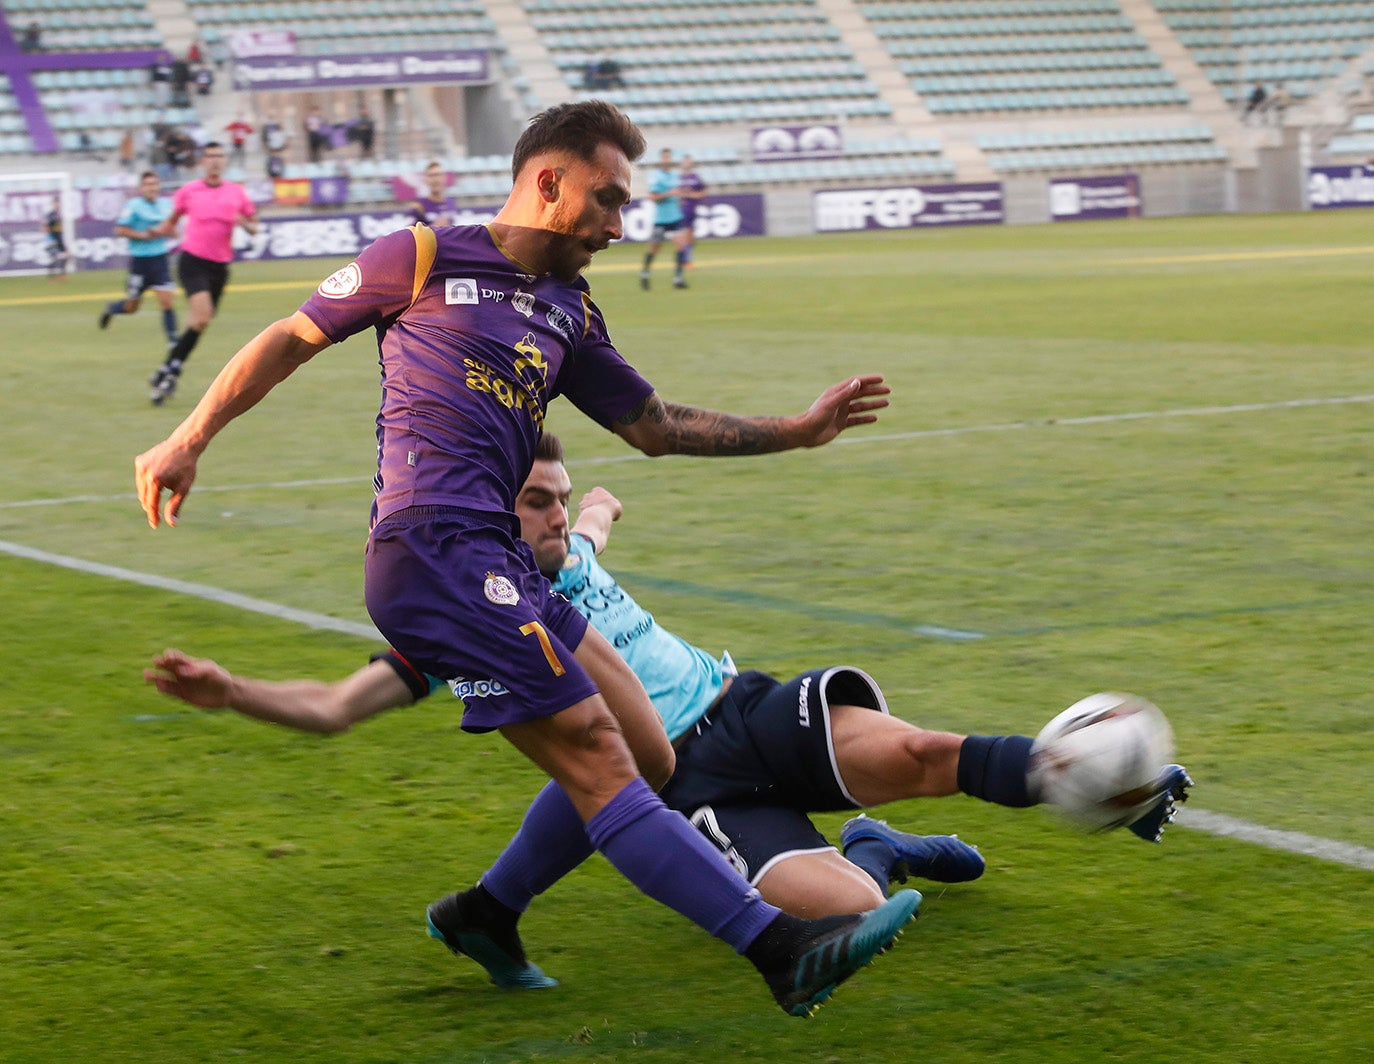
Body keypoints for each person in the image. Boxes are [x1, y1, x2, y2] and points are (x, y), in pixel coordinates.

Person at [133, 100, 912, 1018]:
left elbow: (654, 429)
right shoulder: (419, 256)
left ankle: (487, 912)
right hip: (430, 547)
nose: (619, 227)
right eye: (607, 200)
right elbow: (287, 340)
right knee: (595, 755)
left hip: (500, 558)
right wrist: (188, 438)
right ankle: (778, 949)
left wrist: (799, 429)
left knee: (651, 753)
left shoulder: (571, 311)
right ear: (548, 181)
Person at [145, 433, 1192, 988]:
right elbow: (335, 704)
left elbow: (598, 510)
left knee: (921, 745)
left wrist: (595, 506)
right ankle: (876, 848)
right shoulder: (467, 617)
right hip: (688, 781)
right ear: (491, 509)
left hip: (744, 704)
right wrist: (231, 689)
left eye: (561, 496)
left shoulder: (573, 542)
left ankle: (1075, 772)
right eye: (536, 501)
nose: (558, 514)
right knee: (850, 916)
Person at [146, 142, 258, 406]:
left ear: (224, 161)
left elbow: (254, 226)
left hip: (219, 267)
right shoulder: (188, 192)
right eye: (210, 157)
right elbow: (172, 222)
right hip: (192, 261)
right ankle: (170, 372)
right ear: (202, 162)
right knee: (203, 315)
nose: (215, 161)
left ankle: (168, 369)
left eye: (219, 157)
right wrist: (155, 232)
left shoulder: (237, 192)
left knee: (199, 323)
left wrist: (246, 225)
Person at [99, 171, 179, 351]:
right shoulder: (133, 206)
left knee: (167, 301)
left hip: (160, 260)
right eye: (148, 184)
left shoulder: (166, 205)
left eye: (155, 184)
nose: (152, 188)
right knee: (131, 307)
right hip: (140, 263)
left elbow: (175, 231)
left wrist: (162, 232)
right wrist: (142, 235)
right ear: (142, 188)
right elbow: (120, 230)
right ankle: (112, 308)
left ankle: (173, 341)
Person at [639, 148, 688, 290]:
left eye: (669, 157)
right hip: (661, 219)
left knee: (681, 245)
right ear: (661, 160)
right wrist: (670, 193)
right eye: (665, 157)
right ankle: (645, 274)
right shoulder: (656, 176)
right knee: (655, 248)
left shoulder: (675, 175)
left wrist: (679, 200)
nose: (667, 160)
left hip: (675, 217)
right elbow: (653, 197)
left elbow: (677, 194)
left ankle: (678, 278)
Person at [675, 153, 706, 271]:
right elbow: (675, 194)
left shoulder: (696, 178)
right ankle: (685, 260)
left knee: (691, 237)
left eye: (689, 161)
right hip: (681, 211)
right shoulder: (678, 178)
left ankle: (685, 258)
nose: (687, 164)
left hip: (691, 210)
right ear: (682, 164)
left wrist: (689, 195)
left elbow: (702, 193)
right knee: (685, 235)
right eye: (685, 161)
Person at [409, 161, 457, 226]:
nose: (436, 179)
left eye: (439, 175)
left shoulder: (451, 202)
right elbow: (409, 233)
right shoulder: (419, 206)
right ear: (425, 179)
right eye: (431, 175)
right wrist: (433, 228)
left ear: (445, 178)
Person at [44, 196, 68, 279]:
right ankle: (51, 276)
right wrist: (50, 238)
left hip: (59, 238)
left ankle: (61, 275)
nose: (57, 204)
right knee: (55, 257)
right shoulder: (51, 215)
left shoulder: (58, 214)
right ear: (52, 204)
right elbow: (46, 227)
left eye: (58, 202)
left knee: (65, 256)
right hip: (53, 238)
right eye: (55, 203)